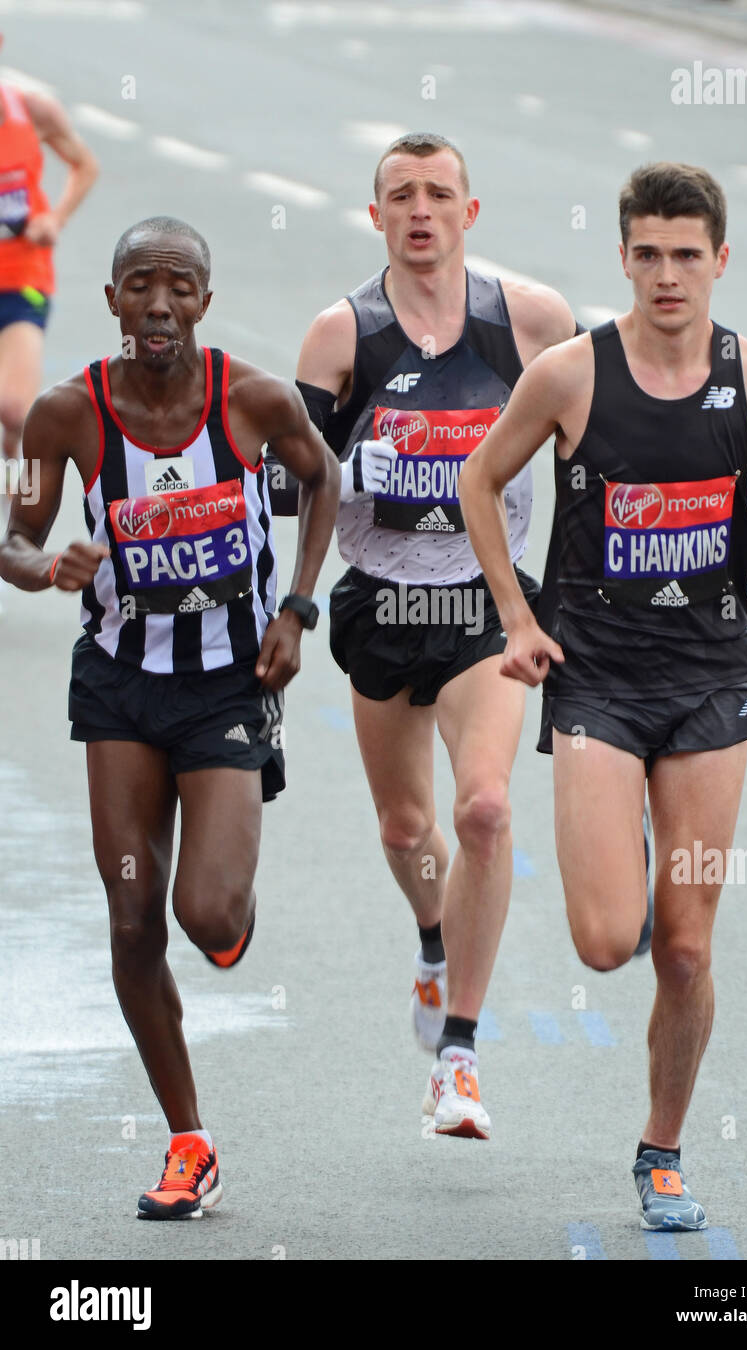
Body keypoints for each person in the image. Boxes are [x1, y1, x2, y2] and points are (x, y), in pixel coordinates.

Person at [459, 162, 747, 1225]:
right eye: (649, 254)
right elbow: (483, 480)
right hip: (599, 686)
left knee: (688, 942)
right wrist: (518, 620)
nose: (668, 274)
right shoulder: (573, 375)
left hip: (711, 682)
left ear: (720, 259)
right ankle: (614, 860)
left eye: (688, 254)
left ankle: (662, 1151)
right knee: (608, 938)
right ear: (624, 256)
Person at [0, 216, 340, 1218]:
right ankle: (189, 1138)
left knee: (210, 917)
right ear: (109, 301)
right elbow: (13, 536)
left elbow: (322, 480)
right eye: (138, 287)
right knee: (132, 915)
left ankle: (227, 890)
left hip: (229, 680)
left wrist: (298, 606)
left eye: (177, 287)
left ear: (204, 297)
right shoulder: (65, 414)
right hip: (118, 684)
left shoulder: (253, 400)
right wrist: (44, 564)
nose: (157, 305)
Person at [289, 131, 582, 1140]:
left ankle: (457, 1056)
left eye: (440, 194)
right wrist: (280, 602)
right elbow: (302, 487)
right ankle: (430, 940)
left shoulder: (531, 321)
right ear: (376, 217)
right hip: (378, 602)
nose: (422, 210)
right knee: (406, 830)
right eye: (401, 195)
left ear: (470, 212)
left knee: (488, 810)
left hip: (483, 604)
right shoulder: (342, 336)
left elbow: (601, 435)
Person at [0, 38, 99, 462]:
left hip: (23, 277)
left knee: (15, 409)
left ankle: (10, 480)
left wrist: (53, 220)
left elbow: (85, 165)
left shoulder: (33, 112)